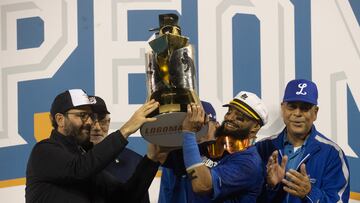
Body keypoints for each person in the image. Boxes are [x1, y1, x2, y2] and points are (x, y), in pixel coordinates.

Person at [26, 89, 166, 203]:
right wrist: (126, 129)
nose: (89, 122)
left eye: (89, 116)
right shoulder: (44, 151)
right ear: (60, 119)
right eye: (82, 115)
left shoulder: (84, 161)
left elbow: (125, 196)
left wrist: (151, 160)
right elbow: (79, 169)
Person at [255, 79, 350, 203]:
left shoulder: (333, 154)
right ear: (282, 109)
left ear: (315, 113)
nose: (297, 113)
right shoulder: (262, 148)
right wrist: (271, 187)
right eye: (292, 107)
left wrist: (310, 193)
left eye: (304, 108)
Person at [180, 91, 269, 202]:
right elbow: (159, 155)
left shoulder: (249, 163)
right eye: (229, 112)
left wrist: (189, 132)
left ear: (255, 127)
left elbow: (202, 185)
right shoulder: (212, 147)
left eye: (240, 117)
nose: (230, 118)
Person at [89, 95, 150, 203]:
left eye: (102, 120)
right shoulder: (70, 161)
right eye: (91, 120)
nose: (97, 127)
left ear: (109, 122)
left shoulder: (134, 161)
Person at [158, 101, 219, 203]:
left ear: (217, 126)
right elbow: (166, 198)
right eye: (191, 125)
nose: (196, 131)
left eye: (201, 125)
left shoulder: (228, 156)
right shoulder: (175, 159)